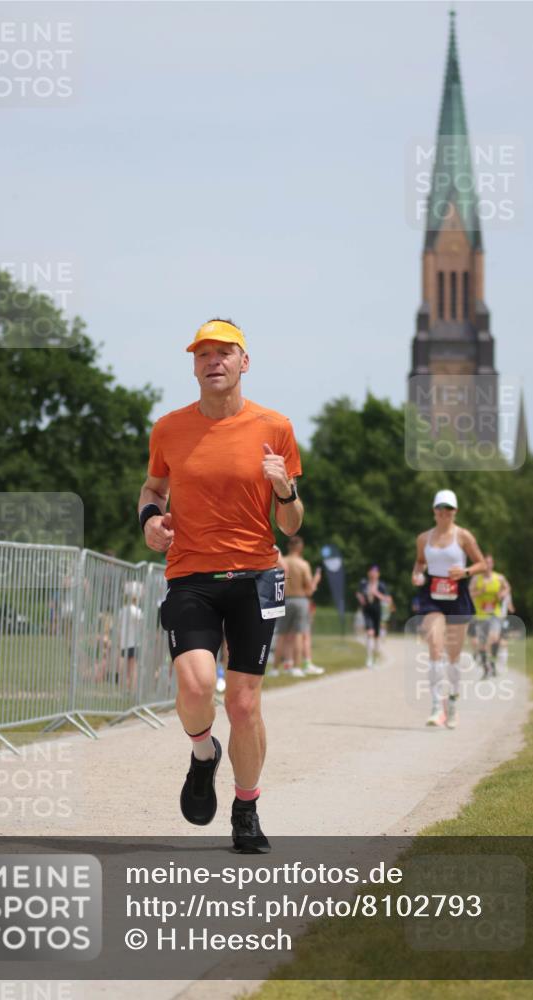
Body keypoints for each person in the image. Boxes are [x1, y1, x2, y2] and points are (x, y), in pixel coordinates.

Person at [138, 319, 303, 853]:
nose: (214, 361)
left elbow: (293, 524)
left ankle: (247, 808)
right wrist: (150, 520)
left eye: (224, 352)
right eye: (203, 353)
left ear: (244, 362)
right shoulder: (169, 428)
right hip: (191, 574)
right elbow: (153, 487)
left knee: (244, 705)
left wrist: (284, 489)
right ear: (193, 365)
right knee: (194, 685)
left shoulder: (275, 427)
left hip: (255, 576)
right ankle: (203, 754)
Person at [411, 489, 486, 729]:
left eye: (449, 509)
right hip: (431, 594)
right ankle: (435, 706)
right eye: (440, 509)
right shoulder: (424, 538)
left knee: (453, 657)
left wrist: (464, 572)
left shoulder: (463, 536)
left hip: (457, 594)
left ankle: (452, 704)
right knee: (434, 645)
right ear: (434, 511)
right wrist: (416, 573)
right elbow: (421, 561)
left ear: (455, 511)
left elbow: (482, 564)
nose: (444, 513)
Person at [275, 537, 324, 677]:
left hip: (284, 600)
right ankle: (297, 667)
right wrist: (316, 580)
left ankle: (275, 668)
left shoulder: (282, 561)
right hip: (300, 600)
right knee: (299, 634)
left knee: (282, 635)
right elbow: (309, 590)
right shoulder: (303, 564)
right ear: (300, 548)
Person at [469, 555, 511, 678]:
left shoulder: (499, 578)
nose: (488, 565)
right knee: (482, 645)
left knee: (493, 638)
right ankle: (486, 668)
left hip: (495, 613)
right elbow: (469, 593)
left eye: (490, 563)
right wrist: (479, 592)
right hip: (481, 615)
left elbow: (508, 588)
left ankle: (491, 662)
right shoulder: (476, 579)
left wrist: (502, 594)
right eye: (485, 563)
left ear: (492, 564)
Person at [356, 565, 391, 667]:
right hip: (367, 611)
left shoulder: (381, 585)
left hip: (377, 611)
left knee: (376, 636)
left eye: (375, 572)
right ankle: (369, 658)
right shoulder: (364, 583)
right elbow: (358, 593)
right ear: (369, 573)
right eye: (371, 572)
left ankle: (376, 657)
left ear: (378, 574)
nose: (373, 574)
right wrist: (360, 598)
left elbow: (387, 599)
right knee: (369, 633)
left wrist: (377, 594)